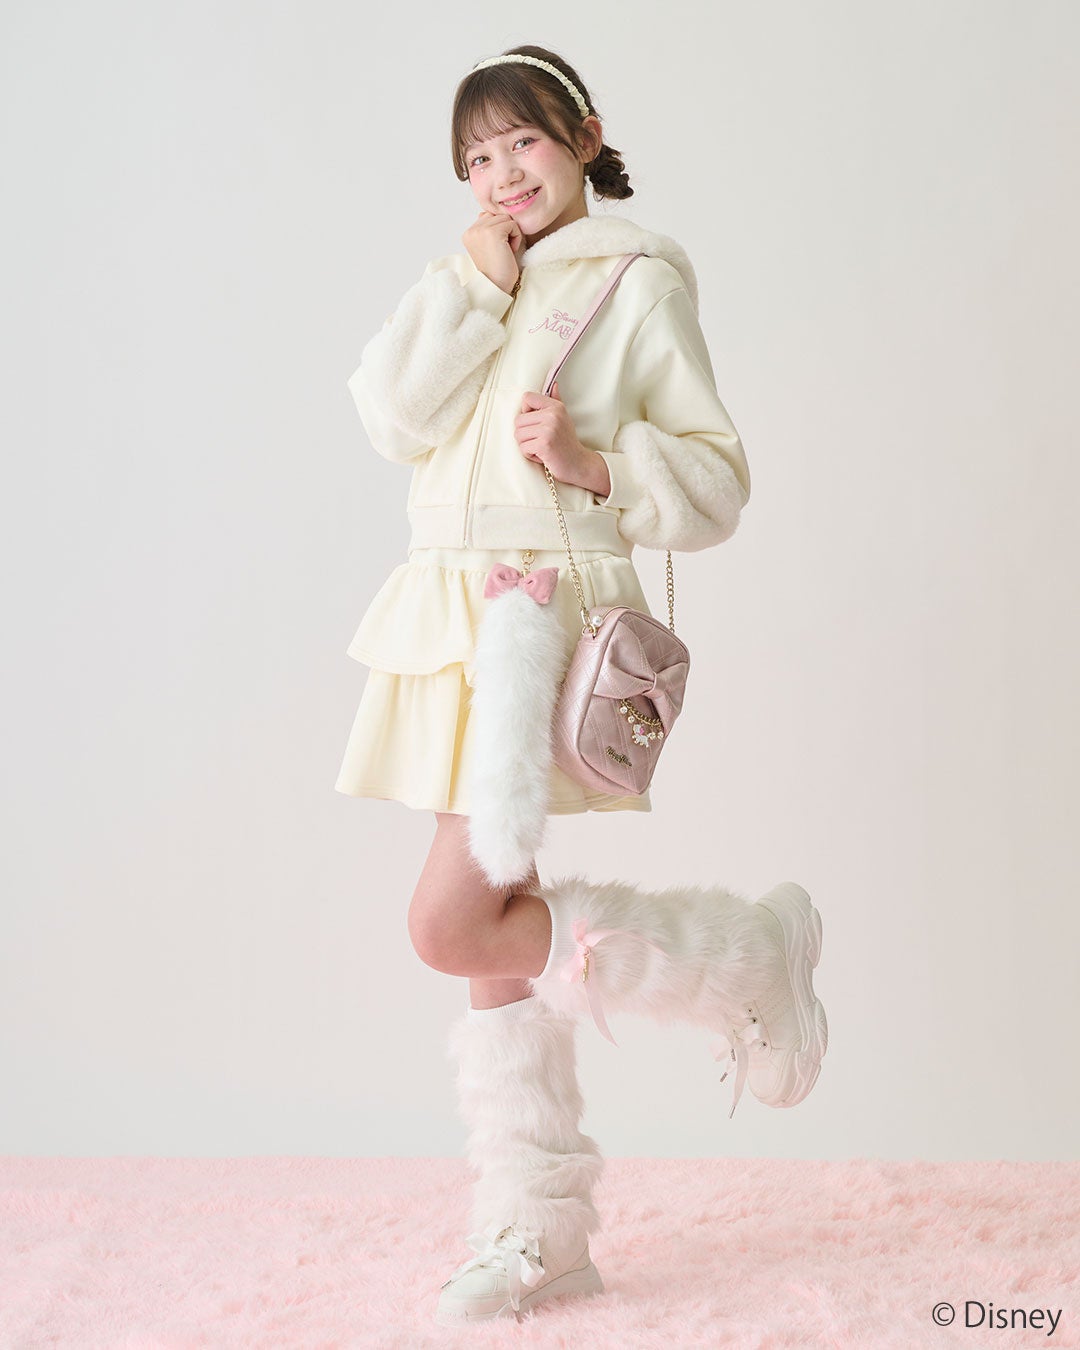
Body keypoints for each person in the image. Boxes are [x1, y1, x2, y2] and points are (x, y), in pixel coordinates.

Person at [334, 44, 828, 1326]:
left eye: (524, 143)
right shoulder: (469, 278)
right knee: (489, 938)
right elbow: (390, 419)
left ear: (584, 138)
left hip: (535, 625)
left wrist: (599, 463)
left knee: (450, 925)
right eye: (476, 158)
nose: (502, 174)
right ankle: (541, 1231)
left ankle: (743, 959)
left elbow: (716, 479)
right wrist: (474, 285)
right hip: (447, 620)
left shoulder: (634, 278)